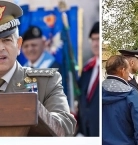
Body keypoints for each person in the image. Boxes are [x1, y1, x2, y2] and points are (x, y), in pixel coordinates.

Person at [0, 1, 75, 136]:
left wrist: (36, 112)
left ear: (18, 45)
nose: (1, 48)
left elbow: (65, 125)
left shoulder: (46, 82)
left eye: (7, 40)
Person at [76, 22, 100, 137]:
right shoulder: (87, 69)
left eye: (99, 39)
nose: (95, 44)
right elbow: (82, 101)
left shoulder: (108, 69)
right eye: (93, 40)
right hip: (86, 132)